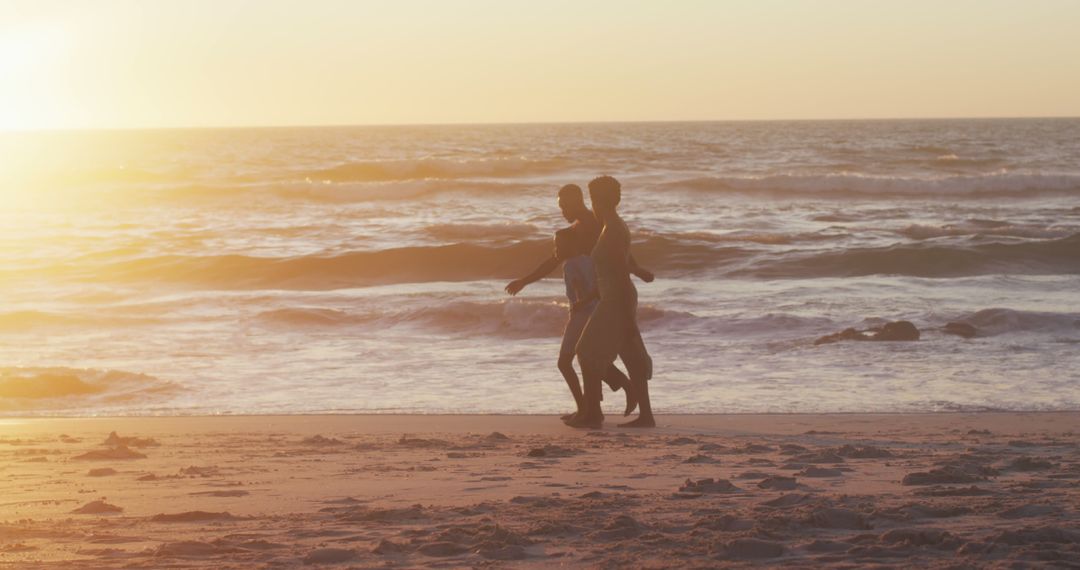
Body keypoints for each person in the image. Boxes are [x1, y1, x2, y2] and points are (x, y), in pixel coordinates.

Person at [569, 176, 655, 429]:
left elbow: (618, 271)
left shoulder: (613, 229)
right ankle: (646, 416)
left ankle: (593, 414)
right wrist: (640, 272)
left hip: (616, 299)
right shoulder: (613, 227)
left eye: (592, 199)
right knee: (632, 356)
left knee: (585, 351)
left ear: (597, 201)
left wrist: (628, 319)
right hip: (614, 296)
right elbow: (622, 262)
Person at [553, 227, 635, 420]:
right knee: (590, 360)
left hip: (581, 316)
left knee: (564, 363)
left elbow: (580, 290)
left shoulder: (570, 265)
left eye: (559, 245)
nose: (556, 249)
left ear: (571, 245)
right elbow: (599, 287)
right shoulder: (589, 260)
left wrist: (580, 303)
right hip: (596, 313)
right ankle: (618, 390)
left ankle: (585, 408)